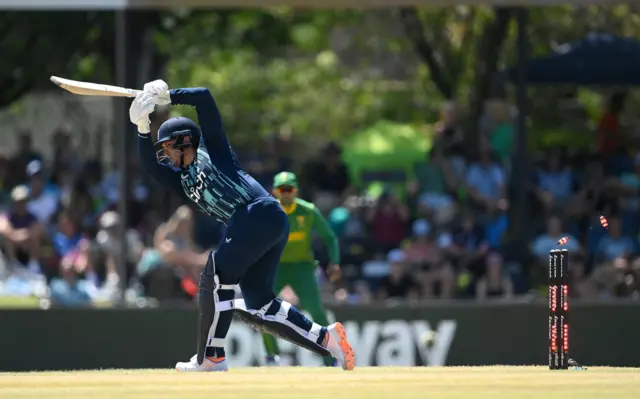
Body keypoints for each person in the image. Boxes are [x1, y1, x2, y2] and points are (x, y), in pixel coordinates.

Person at [129, 80, 354, 372]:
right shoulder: (181, 181)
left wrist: (169, 96)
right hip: (262, 224)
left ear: (185, 140)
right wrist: (142, 126)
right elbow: (150, 165)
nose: (166, 155)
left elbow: (205, 98)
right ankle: (327, 339)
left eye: (168, 147)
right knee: (259, 305)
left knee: (215, 274)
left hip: (256, 213)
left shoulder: (214, 151)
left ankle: (210, 357)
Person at [262, 171, 340, 367]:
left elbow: (330, 237)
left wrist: (335, 261)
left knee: (317, 312)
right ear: (274, 191)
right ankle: (272, 356)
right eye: (282, 190)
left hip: (303, 268)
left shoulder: (308, 211)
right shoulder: (267, 212)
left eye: (290, 189)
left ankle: (329, 359)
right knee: (261, 308)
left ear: (296, 191)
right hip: (276, 267)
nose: (286, 193)